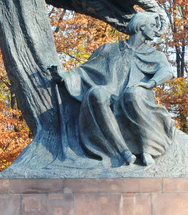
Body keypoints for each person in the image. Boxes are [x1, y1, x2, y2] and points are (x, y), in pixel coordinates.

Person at [50, 11, 175, 167]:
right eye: (152, 26)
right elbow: (84, 70)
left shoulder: (154, 54)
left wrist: (150, 83)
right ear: (141, 26)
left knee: (133, 94)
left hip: (139, 95)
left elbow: (167, 71)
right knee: (97, 93)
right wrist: (63, 77)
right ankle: (123, 152)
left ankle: (147, 149)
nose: (156, 31)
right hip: (113, 91)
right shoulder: (109, 50)